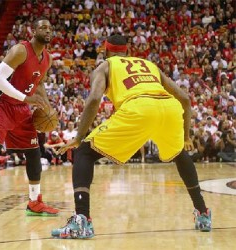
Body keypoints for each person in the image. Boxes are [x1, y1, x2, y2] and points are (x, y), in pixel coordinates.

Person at [52, 34, 211, 239]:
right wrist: (186, 136)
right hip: (169, 108)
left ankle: (81, 221)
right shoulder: (149, 65)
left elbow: (93, 100)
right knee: (180, 153)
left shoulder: (105, 66)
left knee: (84, 152)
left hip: (138, 108)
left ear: (106, 51)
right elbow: (186, 99)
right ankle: (203, 214)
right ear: (127, 51)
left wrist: (79, 135)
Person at [0, 17, 59, 218]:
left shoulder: (47, 58)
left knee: (34, 152)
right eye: (43, 27)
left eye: (50, 28)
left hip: (21, 108)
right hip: (1, 104)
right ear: (34, 31)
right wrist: (26, 98)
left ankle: (35, 201)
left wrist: (46, 105)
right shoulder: (20, 50)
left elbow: (38, 83)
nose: (47, 30)